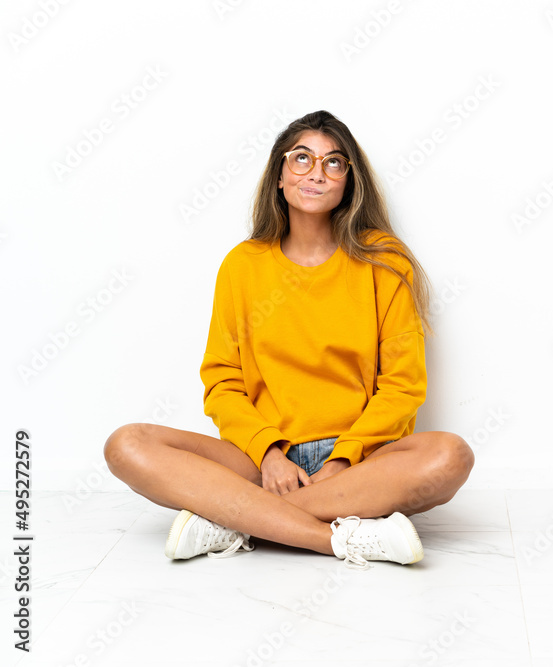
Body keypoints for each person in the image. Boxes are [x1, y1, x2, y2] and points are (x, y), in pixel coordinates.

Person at [104, 110, 474, 570]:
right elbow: (222, 381)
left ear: (348, 181)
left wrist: (343, 459)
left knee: (449, 456)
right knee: (127, 444)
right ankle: (338, 538)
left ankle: (234, 519)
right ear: (279, 175)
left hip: (358, 466)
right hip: (260, 462)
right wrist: (270, 453)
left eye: (334, 163)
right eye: (302, 159)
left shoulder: (385, 261)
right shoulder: (243, 266)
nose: (317, 173)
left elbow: (402, 386)